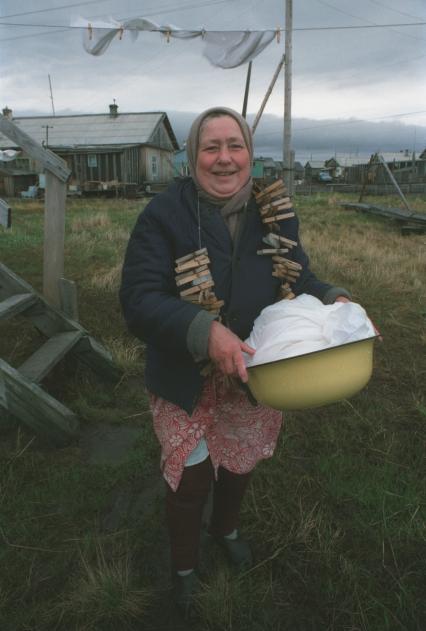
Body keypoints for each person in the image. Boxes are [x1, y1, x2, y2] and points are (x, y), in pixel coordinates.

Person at [119, 106, 350, 616]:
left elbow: (300, 279)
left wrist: (336, 299)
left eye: (235, 146)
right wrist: (204, 331)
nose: (224, 159)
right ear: (191, 157)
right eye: (211, 147)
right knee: (193, 476)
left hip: (255, 370)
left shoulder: (276, 211)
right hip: (184, 374)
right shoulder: (164, 214)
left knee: (241, 462)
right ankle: (184, 567)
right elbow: (137, 299)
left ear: (249, 153)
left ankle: (226, 528)